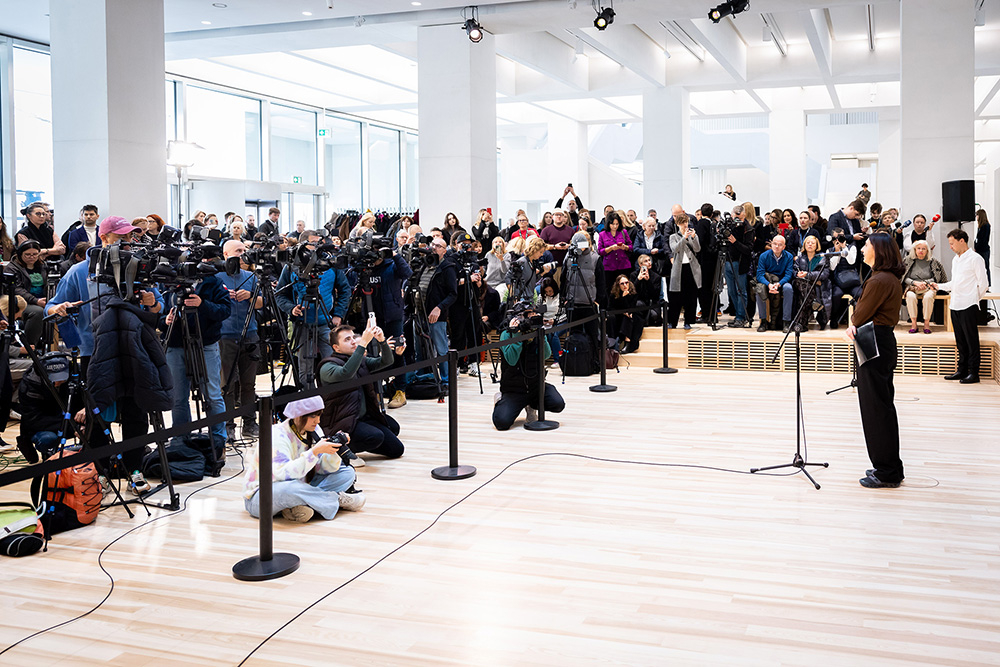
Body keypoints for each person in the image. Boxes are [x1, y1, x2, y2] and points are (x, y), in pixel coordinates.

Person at [242, 395, 364, 522]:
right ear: (298, 416)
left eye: (319, 415)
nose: (317, 421)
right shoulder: (277, 434)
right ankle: (336, 499)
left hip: (301, 486)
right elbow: (283, 475)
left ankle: (298, 507)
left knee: (347, 472)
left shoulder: (315, 430)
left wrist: (331, 452)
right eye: (313, 416)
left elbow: (323, 469)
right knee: (290, 489)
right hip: (262, 496)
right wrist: (314, 452)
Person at [846, 234, 904, 489]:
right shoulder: (884, 277)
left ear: (878, 251)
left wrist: (853, 323)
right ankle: (887, 465)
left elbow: (858, 316)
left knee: (876, 409)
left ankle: (887, 471)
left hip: (875, 343)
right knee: (880, 406)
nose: (862, 248)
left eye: (866, 245)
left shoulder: (879, 280)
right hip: (880, 341)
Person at [163, 257, 232, 460]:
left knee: (212, 394)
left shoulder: (214, 281)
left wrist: (202, 304)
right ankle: (180, 440)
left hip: (206, 343)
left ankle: (219, 440)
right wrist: (164, 320)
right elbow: (160, 309)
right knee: (178, 398)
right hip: (175, 344)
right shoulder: (170, 281)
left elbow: (224, 310)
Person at [318, 322, 403, 460]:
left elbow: (386, 361)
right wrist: (363, 343)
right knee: (376, 436)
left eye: (353, 338)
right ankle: (340, 449)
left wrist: (382, 341)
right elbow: (346, 373)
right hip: (341, 422)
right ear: (336, 347)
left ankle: (364, 437)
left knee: (396, 445)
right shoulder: (327, 366)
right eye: (347, 339)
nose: (353, 342)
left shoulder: (360, 360)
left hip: (362, 416)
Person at [275, 230, 352, 382]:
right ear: (303, 244)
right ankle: (308, 401)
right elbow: (280, 294)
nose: (318, 247)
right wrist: (291, 308)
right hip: (302, 323)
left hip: (326, 322)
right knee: (305, 368)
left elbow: (345, 290)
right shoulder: (291, 266)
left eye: (319, 243)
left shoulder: (330, 263)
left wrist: (338, 314)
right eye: (313, 243)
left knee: (332, 364)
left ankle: (330, 399)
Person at [492, 304, 565, 430]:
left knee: (557, 404)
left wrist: (540, 334)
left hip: (535, 386)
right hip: (514, 390)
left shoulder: (535, 332)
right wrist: (517, 335)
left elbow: (546, 355)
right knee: (501, 422)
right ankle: (500, 399)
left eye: (532, 314)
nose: (530, 319)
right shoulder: (506, 333)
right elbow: (512, 360)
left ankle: (531, 406)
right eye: (527, 315)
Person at [219, 240, 264, 441]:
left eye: (244, 250)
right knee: (226, 383)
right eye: (238, 251)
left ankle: (249, 423)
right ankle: (228, 425)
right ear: (226, 254)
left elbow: (262, 303)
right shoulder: (216, 277)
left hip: (250, 333)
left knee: (249, 383)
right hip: (225, 334)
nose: (242, 254)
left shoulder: (251, 277)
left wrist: (251, 296)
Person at [932, 229, 989, 384]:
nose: (950, 247)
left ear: (962, 240)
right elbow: (954, 284)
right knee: (960, 341)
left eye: (952, 243)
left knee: (971, 341)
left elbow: (984, 284)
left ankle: (974, 373)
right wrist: (938, 286)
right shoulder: (956, 260)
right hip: (955, 304)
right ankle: (961, 370)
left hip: (968, 305)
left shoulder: (975, 259)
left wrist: (973, 299)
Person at [3, 240, 48, 349]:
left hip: (43, 300)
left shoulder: (43, 266)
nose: (31, 257)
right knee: (38, 312)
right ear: (20, 254)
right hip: (20, 302)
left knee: (56, 310)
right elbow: (17, 289)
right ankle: (29, 347)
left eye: (35, 254)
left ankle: (50, 346)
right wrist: (36, 301)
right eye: (27, 255)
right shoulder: (12, 268)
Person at [901, 240, 947, 334]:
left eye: (923, 249)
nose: (921, 251)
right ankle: (914, 323)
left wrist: (925, 283)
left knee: (928, 297)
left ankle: (926, 323)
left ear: (927, 251)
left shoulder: (933, 261)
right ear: (914, 250)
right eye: (918, 248)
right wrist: (915, 283)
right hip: (912, 287)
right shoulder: (907, 260)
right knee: (910, 296)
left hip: (928, 286)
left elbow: (936, 277)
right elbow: (904, 277)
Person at [755, 233, 795, 332]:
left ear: (784, 246)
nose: (777, 246)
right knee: (759, 289)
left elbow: (789, 274)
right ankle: (763, 321)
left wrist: (778, 284)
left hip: (782, 281)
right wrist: (769, 285)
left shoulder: (789, 256)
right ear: (771, 244)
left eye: (780, 244)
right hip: (767, 281)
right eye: (774, 244)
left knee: (788, 289)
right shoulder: (764, 256)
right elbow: (759, 274)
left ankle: (786, 322)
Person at [667, 213, 701, 329]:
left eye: (686, 222)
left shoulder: (692, 234)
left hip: (691, 268)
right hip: (678, 269)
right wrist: (684, 238)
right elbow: (675, 249)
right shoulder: (673, 237)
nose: (685, 225)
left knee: (691, 296)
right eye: (682, 223)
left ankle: (688, 321)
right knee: (675, 296)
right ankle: (672, 321)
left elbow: (697, 249)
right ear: (677, 224)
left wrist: (694, 237)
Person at [792, 235, 832, 330]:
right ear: (804, 245)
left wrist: (807, 275)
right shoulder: (800, 258)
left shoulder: (822, 257)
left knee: (805, 294)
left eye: (812, 243)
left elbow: (825, 274)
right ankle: (802, 322)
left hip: (817, 287)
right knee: (804, 287)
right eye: (808, 243)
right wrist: (798, 273)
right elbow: (793, 271)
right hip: (801, 284)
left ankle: (801, 323)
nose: (810, 244)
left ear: (817, 245)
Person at [723, 207, 753, 328]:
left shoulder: (748, 229)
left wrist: (735, 242)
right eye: (735, 217)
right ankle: (738, 315)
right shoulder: (729, 226)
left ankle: (741, 316)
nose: (737, 221)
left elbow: (748, 249)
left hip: (740, 263)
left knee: (741, 291)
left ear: (744, 216)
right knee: (731, 291)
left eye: (740, 218)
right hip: (727, 261)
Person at [597, 211, 632, 296]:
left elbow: (631, 247)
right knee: (609, 289)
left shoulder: (624, 232)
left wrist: (625, 247)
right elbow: (600, 251)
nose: (615, 226)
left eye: (617, 224)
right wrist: (611, 248)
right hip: (609, 266)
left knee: (624, 288)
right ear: (608, 224)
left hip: (623, 265)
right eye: (613, 224)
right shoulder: (602, 234)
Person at [609, 276, 644, 353]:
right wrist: (623, 311)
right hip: (618, 316)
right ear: (618, 285)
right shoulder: (613, 295)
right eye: (622, 283)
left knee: (629, 317)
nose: (625, 285)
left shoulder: (633, 293)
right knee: (614, 318)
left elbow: (631, 307)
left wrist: (625, 298)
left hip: (631, 316)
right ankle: (615, 341)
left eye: (626, 283)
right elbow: (611, 308)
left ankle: (627, 343)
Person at [974, 209, 992, 318]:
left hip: (983, 250)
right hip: (981, 249)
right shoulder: (981, 226)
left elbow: (982, 240)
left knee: (985, 267)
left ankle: (987, 284)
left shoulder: (985, 226)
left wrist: (977, 248)